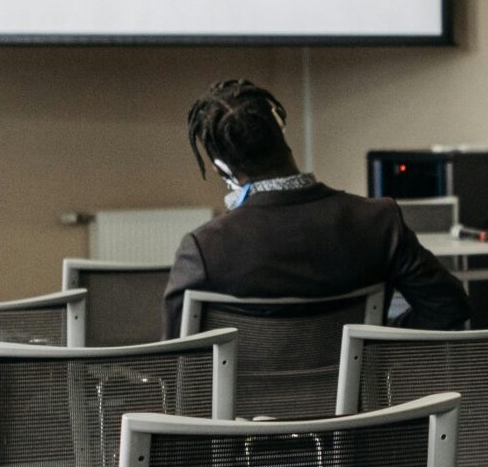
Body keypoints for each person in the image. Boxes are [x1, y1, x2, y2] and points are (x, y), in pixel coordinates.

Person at [162, 79, 469, 337]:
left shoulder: (203, 250)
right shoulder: (379, 222)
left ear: (222, 169)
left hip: (242, 408)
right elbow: (449, 307)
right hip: (359, 410)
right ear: (281, 127)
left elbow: (178, 356)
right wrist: (373, 345)